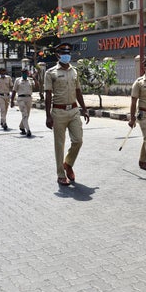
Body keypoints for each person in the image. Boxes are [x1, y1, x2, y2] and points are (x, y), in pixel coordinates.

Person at [44, 43, 91, 185]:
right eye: (64, 52)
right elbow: (48, 95)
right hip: (58, 111)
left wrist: (84, 108)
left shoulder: (74, 71)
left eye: (68, 52)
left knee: (78, 140)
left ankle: (68, 163)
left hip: (74, 110)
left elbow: (78, 91)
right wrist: (48, 115)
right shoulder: (50, 73)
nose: (67, 55)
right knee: (59, 144)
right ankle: (60, 174)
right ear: (58, 55)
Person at [11, 68, 35, 137]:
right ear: (22, 73)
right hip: (21, 98)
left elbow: (36, 86)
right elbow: (14, 91)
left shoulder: (30, 80)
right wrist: (12, 101)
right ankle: (28, 130)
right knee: (24, 114)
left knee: (27, 115)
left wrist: (35, 78)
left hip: (29, 98)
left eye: (26, 73)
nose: (25, 74)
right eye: (24, 73)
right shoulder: (18, 80)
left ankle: (21, 126)